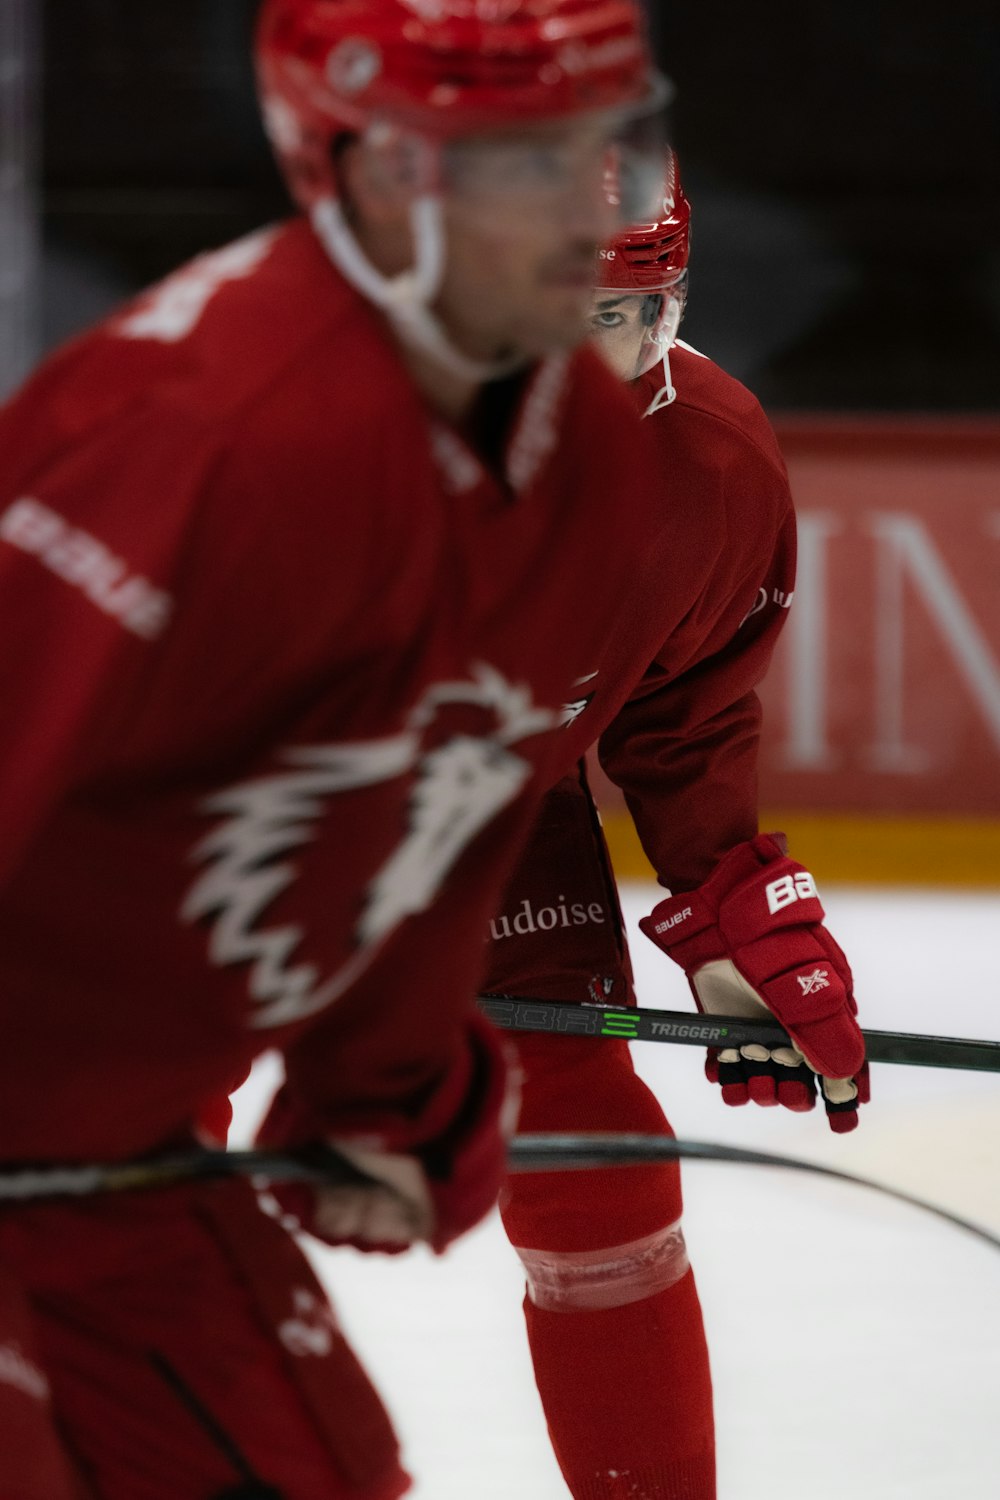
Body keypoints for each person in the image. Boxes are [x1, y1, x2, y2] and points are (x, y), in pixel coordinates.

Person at [0, 3, 690, 1496]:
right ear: (369, 174)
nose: (584, 201)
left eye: (602, 140)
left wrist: (382, 1084)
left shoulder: (583, 458)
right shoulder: (193, 448)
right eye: (520, 159)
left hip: (107, 1160)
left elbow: (439, 808)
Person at [482, 164, 870, 1500]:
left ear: (669, 309)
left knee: (595, 1169)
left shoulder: (710, 466)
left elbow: (683, 720)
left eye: (609, 316)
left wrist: (726, 909)